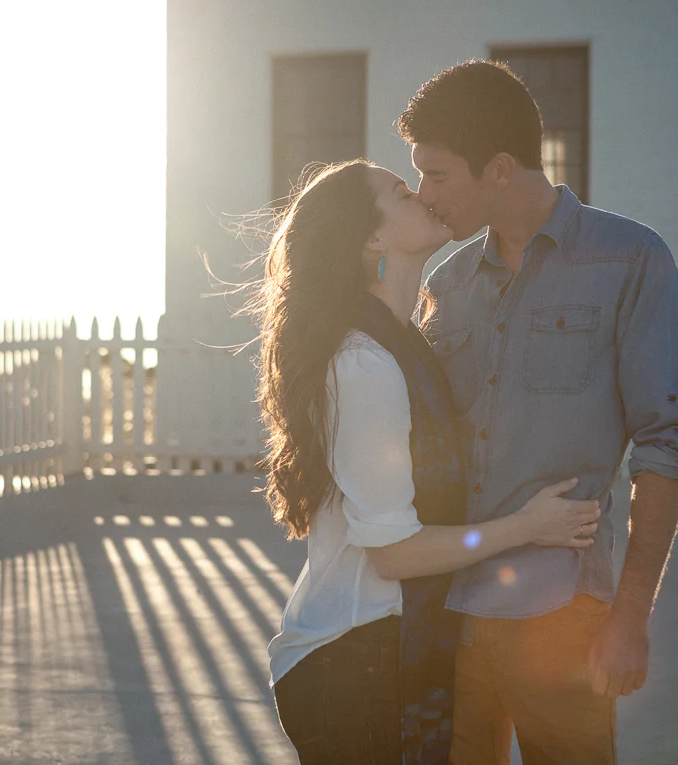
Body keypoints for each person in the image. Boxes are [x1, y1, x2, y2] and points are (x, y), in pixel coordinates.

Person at [398, 60, 678, 764]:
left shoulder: (631, 260)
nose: (424, 194)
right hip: (449, 622)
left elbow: (664, 446)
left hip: (564, 620)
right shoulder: (445, 281)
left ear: (500, 168)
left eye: (437, 175)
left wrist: (630, 618)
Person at [249, 158, 603, 764]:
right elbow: (395, 553)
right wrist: (528, 527)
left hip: (377, 653)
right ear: (372, 239)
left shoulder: (406, 341)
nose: (423, 197)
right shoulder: (365, 363)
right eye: (401, 192)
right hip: (349, 660)